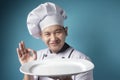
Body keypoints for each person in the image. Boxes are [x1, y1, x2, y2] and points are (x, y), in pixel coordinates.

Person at [16, 2, 94, 80]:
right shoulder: (36, 57)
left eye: (58, 32)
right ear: (41, 36)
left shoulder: (82, 60)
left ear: (66, 31)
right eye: (47, 34)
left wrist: (67, 78)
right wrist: (28, 67)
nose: (53, 38)